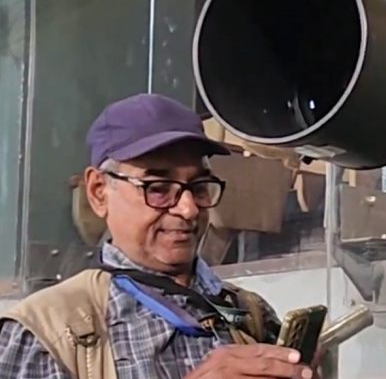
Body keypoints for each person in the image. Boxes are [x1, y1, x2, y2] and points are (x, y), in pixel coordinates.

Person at [0, 94, 315, 379]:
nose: (189, 209)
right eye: (158, 188)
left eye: (199, 186)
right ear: (99, 192)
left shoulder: (251, 314)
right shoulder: (43, 335)